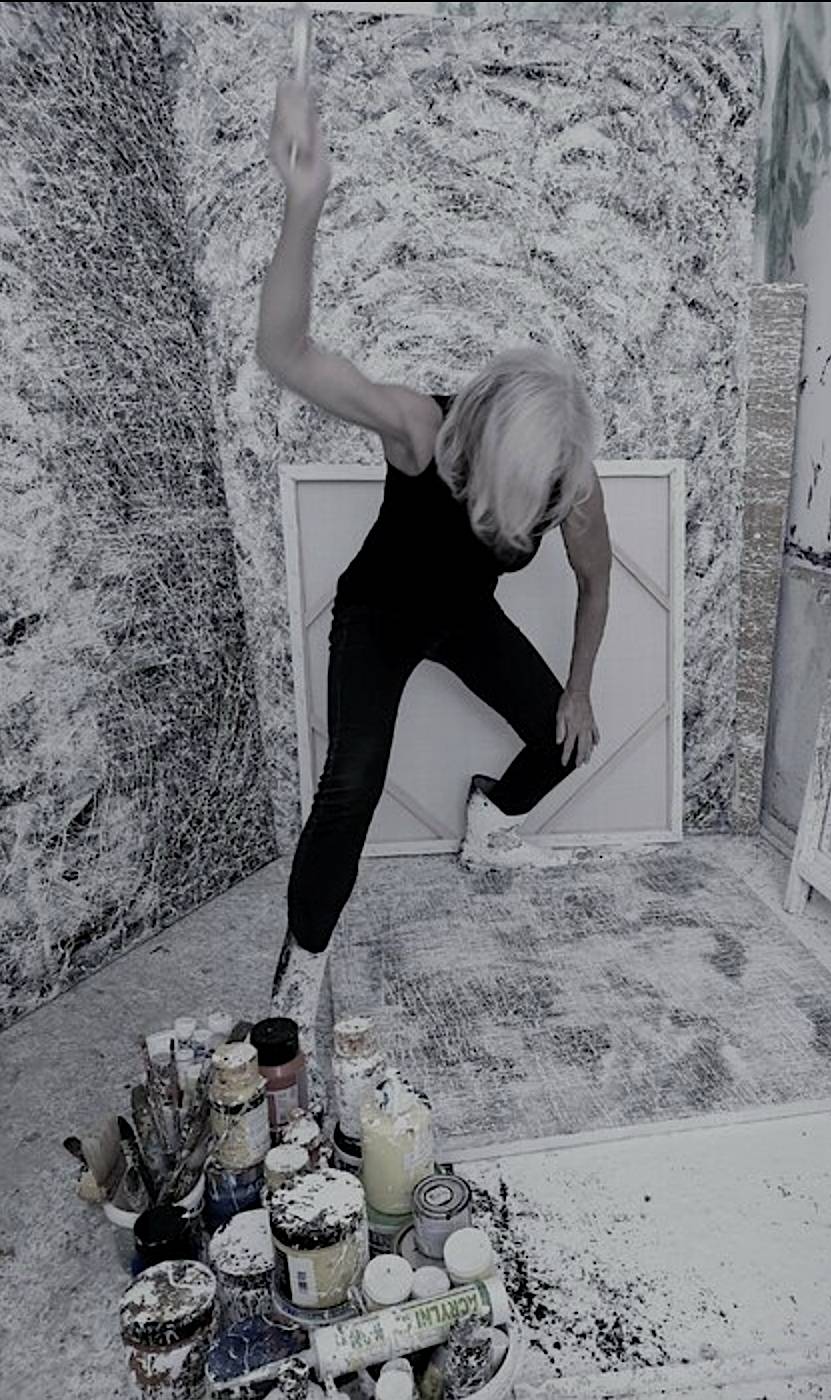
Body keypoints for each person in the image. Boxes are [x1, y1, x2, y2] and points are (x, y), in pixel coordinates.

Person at [257, 80, 612, 1071]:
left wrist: (580, 686)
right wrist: (304, 203)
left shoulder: (570, 479)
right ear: (479, 443)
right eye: (510, 497)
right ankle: (303, 959)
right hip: (380, 613)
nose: (526, 517)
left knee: (567, 739)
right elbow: (284, 351)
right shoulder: (423, 427)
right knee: (352, 783)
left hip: (461, 615)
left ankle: (489, 818)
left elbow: (597, 583)